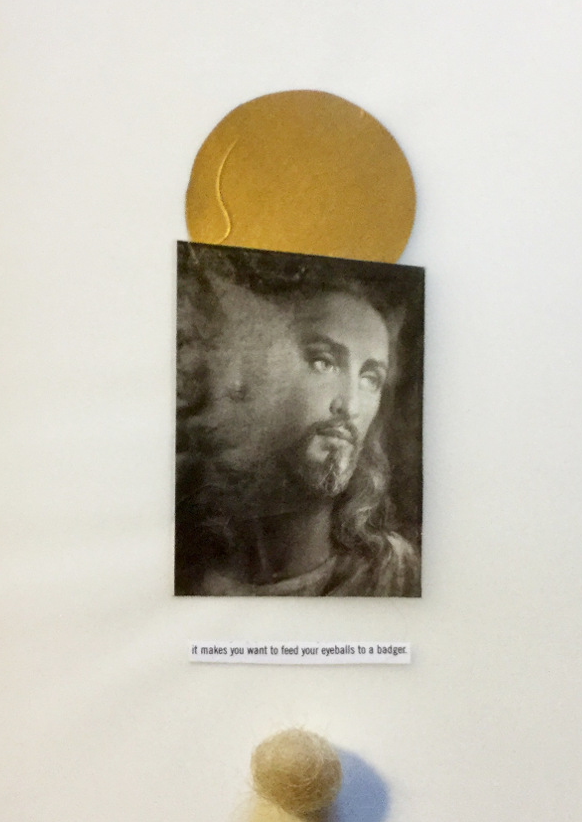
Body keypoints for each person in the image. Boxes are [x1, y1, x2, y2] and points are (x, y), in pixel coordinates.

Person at [175, 244, 421, 597]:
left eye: (370, 379)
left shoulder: (394, 574)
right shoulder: (189, 572)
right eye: (323, 363)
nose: (349, 406)